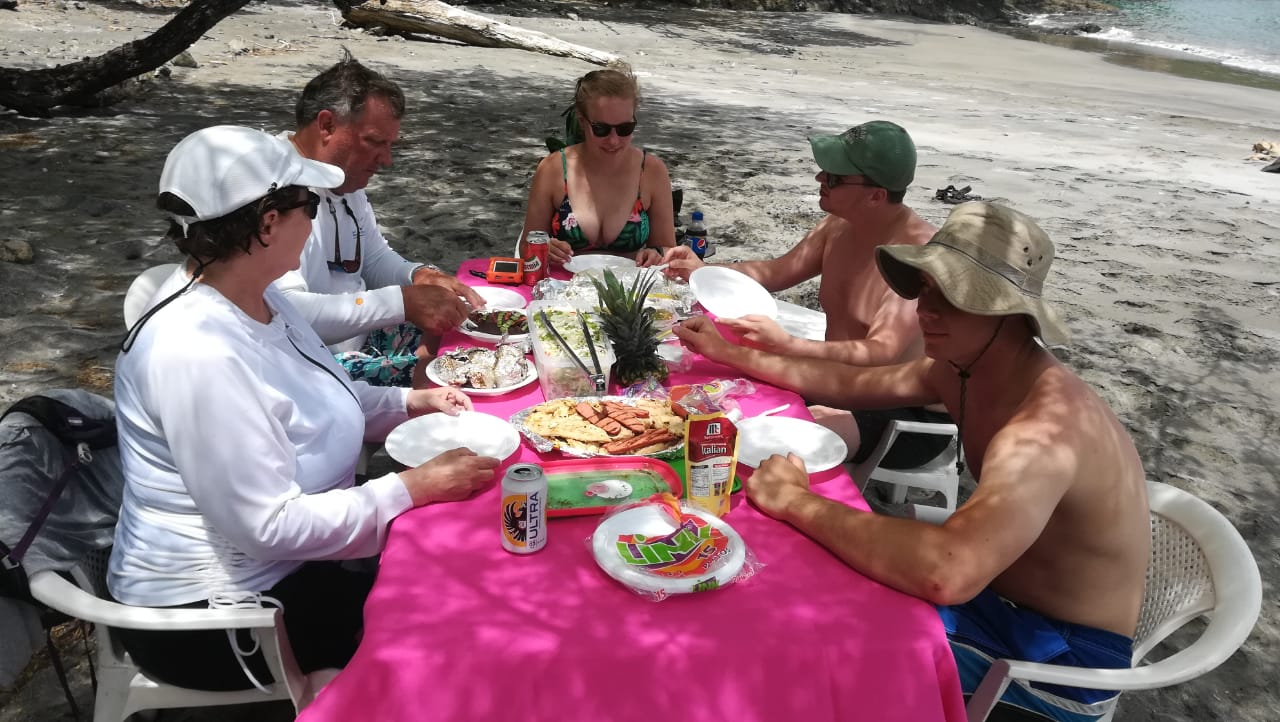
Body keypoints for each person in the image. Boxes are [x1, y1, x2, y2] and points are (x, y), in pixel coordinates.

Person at [674, 201, 1150, 722]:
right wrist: (732, 354)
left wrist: (795, 501)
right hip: (998, 599)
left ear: (1008, 311)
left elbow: (947, 571)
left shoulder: (1044, 427)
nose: (927, 310)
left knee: (812, 631)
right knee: (812, 583)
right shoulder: (965, 368)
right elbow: (847, 384)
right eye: (924, 288)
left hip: (1058, 662)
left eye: (954, 297)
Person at [110, 126, 500, 699]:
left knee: (464, 566)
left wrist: (407, 402)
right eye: (309, 205)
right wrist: (408, 489)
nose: (315, 220)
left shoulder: (260, 296)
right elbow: (267, 526)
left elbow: (320, 395)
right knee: (453, 629)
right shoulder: (196, 354)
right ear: (267, 222)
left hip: (292, 567)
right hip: (222, 613)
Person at [666, 120, 951, 469]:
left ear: (875, 195)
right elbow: (778, 271)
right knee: (719, 399)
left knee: (767, 444)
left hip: (907, 414)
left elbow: (881, 352)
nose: (820, 179)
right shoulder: (838, 226)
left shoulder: (915, 254)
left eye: (834, 176)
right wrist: (705, 271)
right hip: (836, 381)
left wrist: (788, 345)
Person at [275, 51, 484, 388]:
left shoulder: (340, 178)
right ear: (326, 125)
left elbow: (371, 258)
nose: (385, 160)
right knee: (459, 381)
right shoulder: (279, 191)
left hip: (359, 337)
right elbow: (286, 312)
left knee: (464, 330)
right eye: (373, 142)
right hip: (309, 364)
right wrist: (400, 302)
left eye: (390, 145)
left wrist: (419, 275)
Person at [519, 63, 676, 268]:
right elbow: (526, 247)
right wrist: (544, 249)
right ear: (582, 122)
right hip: (562, 292)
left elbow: (667, 248)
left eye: (624, 128)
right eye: (601, 129)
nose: (613, 140)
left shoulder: (651, 171)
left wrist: (655, 254)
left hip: (626, 294)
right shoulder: (553, 169)